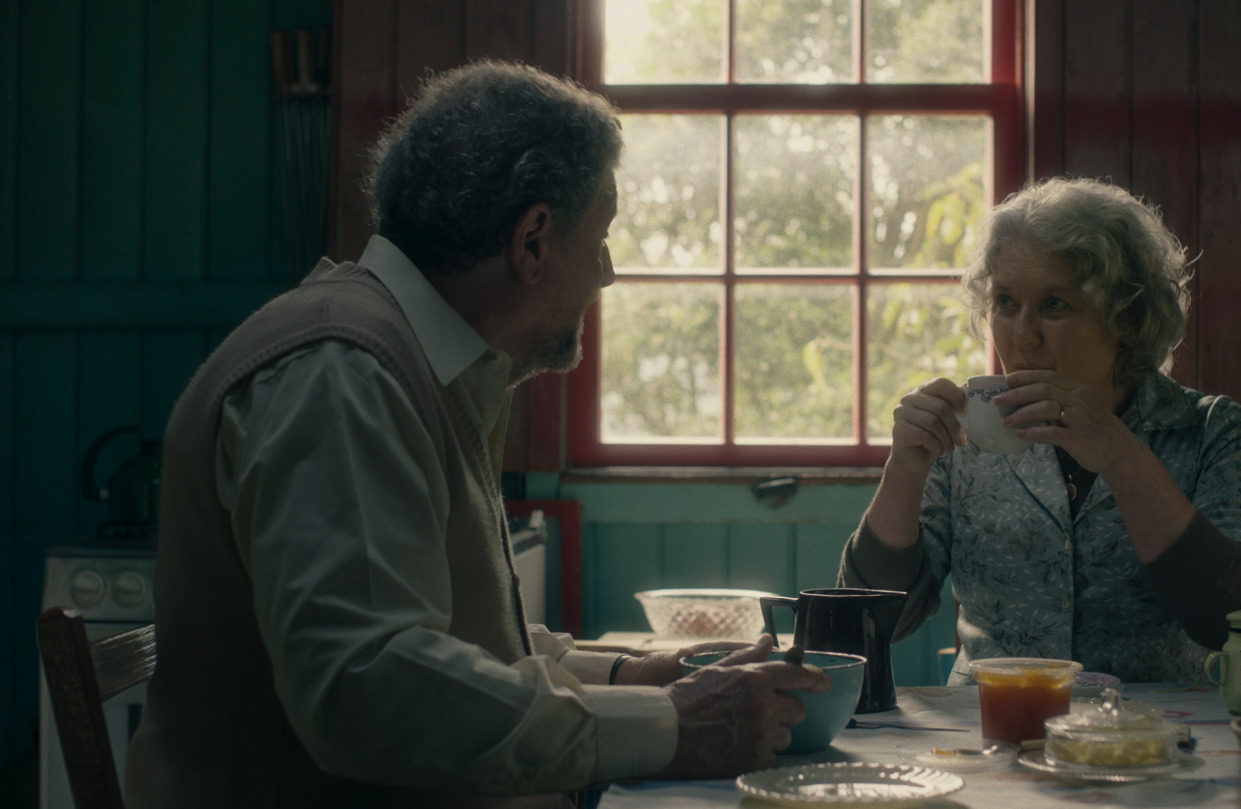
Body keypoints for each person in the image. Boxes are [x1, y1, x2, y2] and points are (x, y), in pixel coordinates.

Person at [124, 59, 827, 809]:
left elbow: (454, 649)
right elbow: (368, 688)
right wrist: (673, 724)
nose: (606, 274)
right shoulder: (340, 375)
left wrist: (630, 676)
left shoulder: (408, 363)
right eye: (601, 237)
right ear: (531, 240)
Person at [838, 176, 1241, 683]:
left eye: (1054, 305)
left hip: (1157, 740)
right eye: (1006, 303)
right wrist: (903, 470)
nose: (1023, 335)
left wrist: (1120, 455)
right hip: (990, 727)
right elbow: (871, 622)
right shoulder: (966, 435)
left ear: (1130, 320)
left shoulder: (1211, 432)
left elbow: (1237, 620)